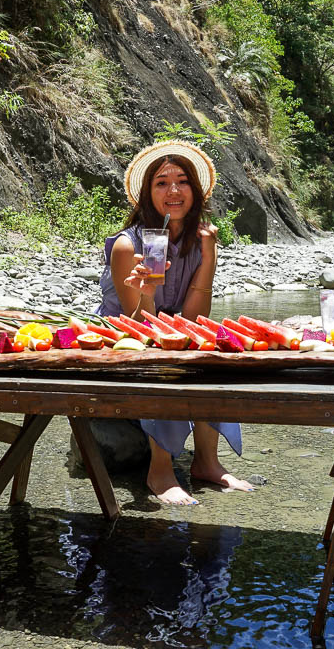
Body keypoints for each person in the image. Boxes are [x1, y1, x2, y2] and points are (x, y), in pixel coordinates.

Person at [96, 140, 254, 505]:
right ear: (147, 194)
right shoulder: (128, 246)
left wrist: (209, 257)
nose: (173, 190)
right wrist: (148, 292)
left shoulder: (199, 241)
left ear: (195, 192)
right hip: (125, 337)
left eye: (182, 181)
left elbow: (195, 320)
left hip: (169, 333)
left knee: (214, 352)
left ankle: (207, 462)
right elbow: (140, 325)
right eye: (161, 183)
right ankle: (161, 470)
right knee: (165, 363)